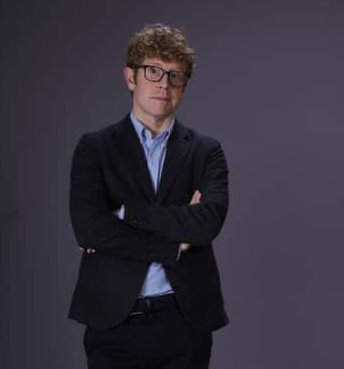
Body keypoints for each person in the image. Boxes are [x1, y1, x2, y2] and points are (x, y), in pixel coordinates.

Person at [68, 23, 229, 368]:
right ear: (131, 78)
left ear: (184, 87)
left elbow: (207, 224)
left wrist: (126, 213)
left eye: (175, 75)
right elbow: (90, 229)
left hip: (184, 319)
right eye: (153, 71)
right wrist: (174, 243)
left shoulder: (206, 151)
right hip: (112, 319)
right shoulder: (95, 148)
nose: (163, 84)